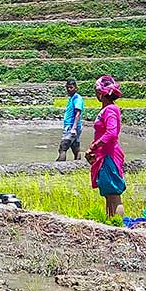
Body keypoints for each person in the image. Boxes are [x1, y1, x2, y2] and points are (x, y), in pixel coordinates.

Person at [86, 75, 125, 218]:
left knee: (114, 194)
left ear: (100, 93)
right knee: (109, 194)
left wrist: (94, 146)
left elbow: (111, 133)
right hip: (103, 155)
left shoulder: (110, 110)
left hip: (109, 155)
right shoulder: (107, 109)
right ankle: (110, 222)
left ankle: (117, 225)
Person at [57, 78, 84, 161]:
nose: (69, 89)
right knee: (75, 146)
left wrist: (74, 128)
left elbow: (78, 113)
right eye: (67, 87)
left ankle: (60, 165)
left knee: (63, 147)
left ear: (76, 88)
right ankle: (78, 163)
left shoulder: (77, 99)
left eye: (71, 87)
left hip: (71, 126)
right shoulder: (72, 98)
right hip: (73, 126)